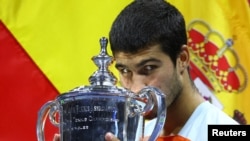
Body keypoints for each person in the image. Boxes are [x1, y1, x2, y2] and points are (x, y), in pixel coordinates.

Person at [54, 0, 239, 141]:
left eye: (148, 69)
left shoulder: (228, 132)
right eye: (124, 71)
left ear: (182, 59)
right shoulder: (134, 134)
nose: (135, 89)